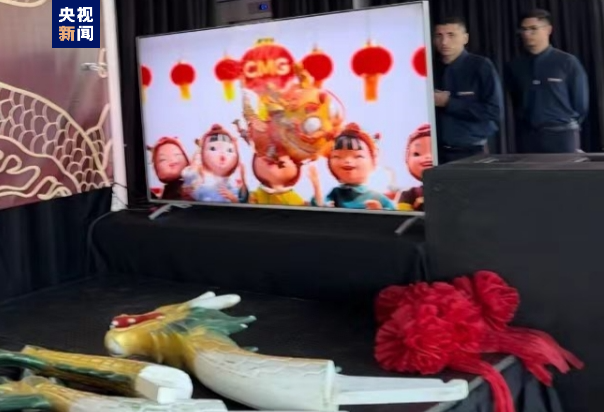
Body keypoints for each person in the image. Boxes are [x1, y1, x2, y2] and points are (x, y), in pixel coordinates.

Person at [506, 9, 589, 153]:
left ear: (548, 30)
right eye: (524, 29)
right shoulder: (516, 65)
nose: (527, 34)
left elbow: (580, 104)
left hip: (562, 134)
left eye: (533, 29)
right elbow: (516, 99)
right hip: (529, 135)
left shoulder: (567, 62)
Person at [432, 16, 504, 163]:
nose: (444, 42)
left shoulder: (481, 66)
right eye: (439, 36)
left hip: (472, 152)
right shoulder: (429, 68)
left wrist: (448, 103)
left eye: (451, 35)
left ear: (465, 38)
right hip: (435, 153)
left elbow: (494, 111)